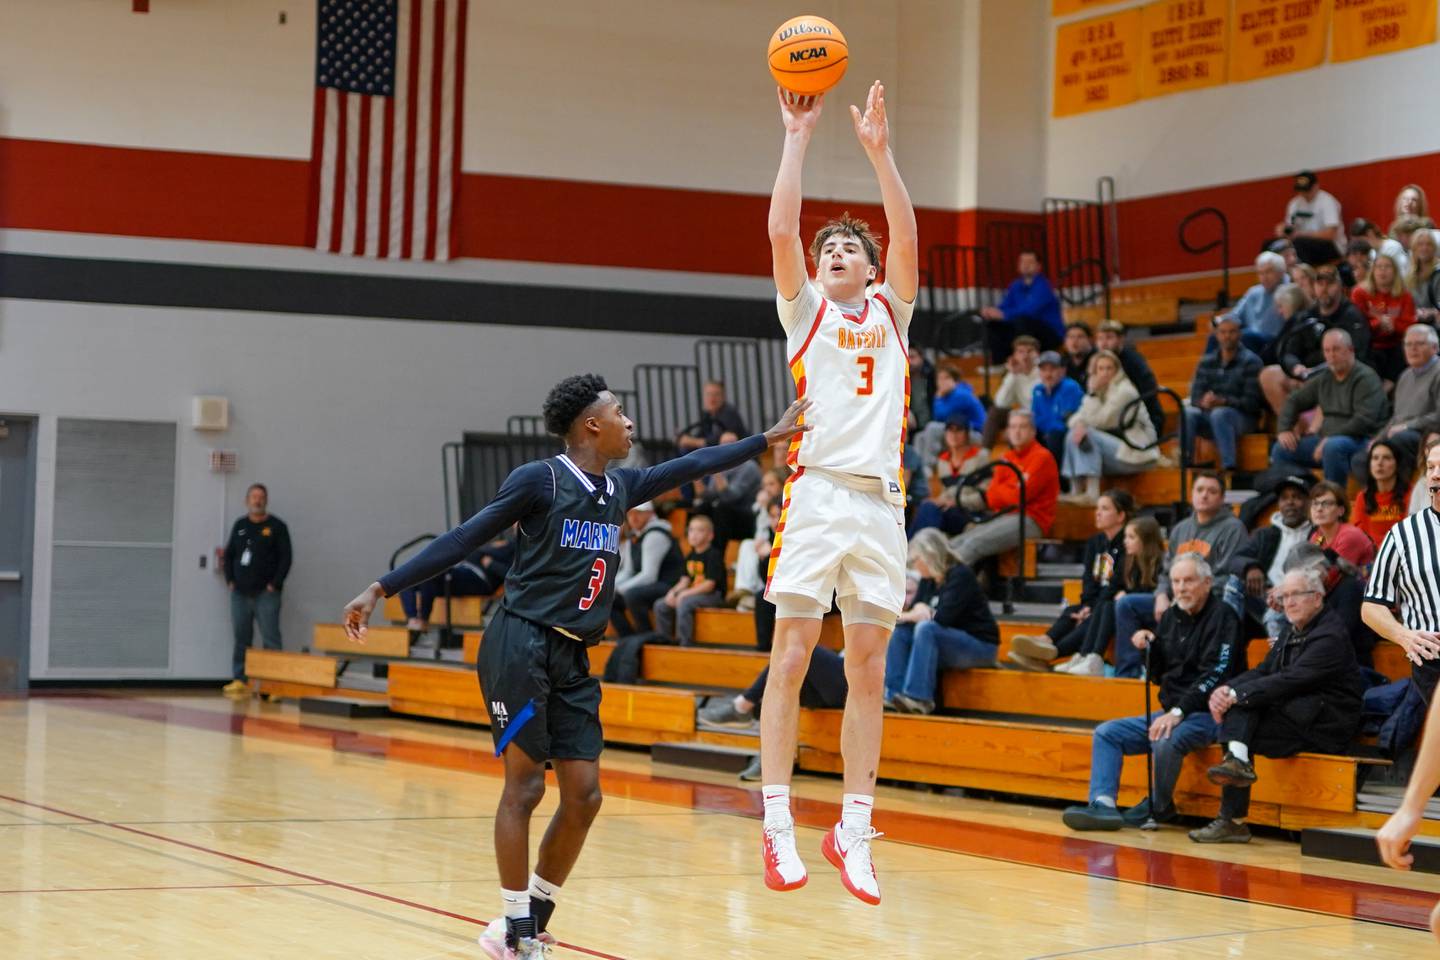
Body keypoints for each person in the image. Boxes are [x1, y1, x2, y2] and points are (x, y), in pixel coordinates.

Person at [341, 374, 809, 956]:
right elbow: (463, 538)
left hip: (573, 655)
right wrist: (380, 588)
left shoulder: (621, 487)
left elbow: (696, 467)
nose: (630, 423)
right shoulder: (540, 480)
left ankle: (530, 916)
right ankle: (516, 932)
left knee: (585, 794)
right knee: (527, 786)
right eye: (619, 412)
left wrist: (764, 439)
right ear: (592, 424)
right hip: (520, 642)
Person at [761, 79, 919, 904]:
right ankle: (778, 822)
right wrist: (799, 134)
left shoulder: (893, 311)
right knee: (790, 656)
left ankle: (853, 831)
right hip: (819, 494)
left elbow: (908, 232)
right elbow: (783, 226)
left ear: (871, 264)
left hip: (881, 504)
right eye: (830, 251)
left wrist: (879, 152)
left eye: (850, 248)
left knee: (868, 666)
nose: (837, 254)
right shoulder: (807, 314)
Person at [1062, 553, 1243, 831]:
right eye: (1176, 581)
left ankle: (1160, 806)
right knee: (1107, 733)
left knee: (1165, 739)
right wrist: (1151, 647)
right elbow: (1161, 675)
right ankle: (1103, 805)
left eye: (1189, 581)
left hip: (1209, 714)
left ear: (1207, 583)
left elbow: (1217, 673)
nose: (1181, 588)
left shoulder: (1224, 616)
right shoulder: (1171, 616)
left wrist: (1178, 712)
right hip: (1173, 711)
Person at [1195, 569, 1364, 843]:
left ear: (1318, 598)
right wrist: (1226, 690)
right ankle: (1235, 779)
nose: (1289, 602)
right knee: (1240, 709)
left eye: (1297, 594)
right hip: (1297, 715)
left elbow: (1290, 680)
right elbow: (1264, 671)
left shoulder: (1330, 636)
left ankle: (1233, 812)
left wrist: (1236, 694)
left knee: (1242, 709)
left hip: (1325, 724)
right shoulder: (1292, 629)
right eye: (1284, 596)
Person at [1115, 472, 1248, 679]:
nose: (1204, 495)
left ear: (1222, 498)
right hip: (1177, 597)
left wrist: (1185, 596)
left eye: (1212, 491)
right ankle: (1128, 674)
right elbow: (1166, 573)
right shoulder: (1180, 529)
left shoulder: (1233, 529)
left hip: (1208, 603)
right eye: (1200, 490)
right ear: (1191, 494)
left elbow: (1228, 578)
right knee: (1127, 604)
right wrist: (1161, 595)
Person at [1008, 491, 1135, 672]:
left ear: (1121, 515)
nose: (1097, 513)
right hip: (1096, 602)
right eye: (1097, 508)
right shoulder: (1095, 542)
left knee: (1093, 616)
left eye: (1105, 509)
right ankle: (1046, 642)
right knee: (1072, 611)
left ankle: (1051, 653)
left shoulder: (1127, 542)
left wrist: (1092, 608)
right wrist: (1086, 605)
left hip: (1111, 604)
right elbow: (1089, 580)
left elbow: (1117, 583)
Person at [883, 529, 998, 714]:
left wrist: (919, 612)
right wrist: (916, 613)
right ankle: (893, 694)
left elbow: (942, 618)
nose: (915, 566)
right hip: (947, 642)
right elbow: (916, 611)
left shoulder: (960, 575)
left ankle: (919, 698)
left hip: (980, 646)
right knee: (901, 632)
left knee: (926, 629)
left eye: (917, 560)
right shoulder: (929, 580)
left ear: (930, 555)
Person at [1271, 329, 1389, 484]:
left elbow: (1364, 420)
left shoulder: (1366, 378)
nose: (1331, 355)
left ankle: (1334, 498)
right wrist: (1284, 429)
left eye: (1336, 349)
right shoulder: (1324, 377)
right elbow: (1294, 400)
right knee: (1281, 449)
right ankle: (1300, 492)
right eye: (1327, 350)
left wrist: (1330, 438)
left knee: (1333, 447)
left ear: (1350, 350)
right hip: (1325, 439)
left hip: (1360, 440)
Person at [1058, 512, 1165, 676]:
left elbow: (1150, 592)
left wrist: (1126, 594)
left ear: (1145, 540)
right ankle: (1086, 655)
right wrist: (1091, 608)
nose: (1125, 541)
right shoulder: (1127, 561)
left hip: (1149, 612)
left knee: (1112, 604)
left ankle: (1094, 657)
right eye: (1126, 537)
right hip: (1125, 609)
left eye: (1131, 537)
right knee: (1105, 603)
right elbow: (1112, 587)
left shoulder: (1159, 562)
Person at [950, 409, 1060, 568]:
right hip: (1003, 515)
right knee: (957, 541)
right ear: (1007, 431)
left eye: (1022, 427)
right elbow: (991, 496)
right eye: (1013, 427)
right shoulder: (1006, 458)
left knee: (972, 544)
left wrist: (1004, 491)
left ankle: (945, 587)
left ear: (1033, 431)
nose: (1017, 432)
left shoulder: (1042, 458)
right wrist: (1009, 491)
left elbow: (1019, 497)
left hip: (1032, 520)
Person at [1059, 350, 1158, 504]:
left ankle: (1091, 494)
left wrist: (1092, 394)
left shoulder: (1125, 391)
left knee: (1088, 434)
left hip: (1138, 452)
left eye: (1109, 368)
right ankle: (1075, 490)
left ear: (1117, 370)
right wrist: (1079, 424)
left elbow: (1102, 421)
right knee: (1074, 432)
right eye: (1100, 369)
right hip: (1118, 450)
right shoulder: (1102, 391)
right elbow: (1076, 419)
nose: (1104, 373)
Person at [222, 483, 293, 695]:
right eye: (253, 497)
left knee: (271, 638)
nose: (257, 500)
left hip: (266, 593)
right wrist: (230, 579)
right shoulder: (240, 525)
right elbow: (229, 555)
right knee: (242, 637)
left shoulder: (277, 526)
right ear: (247, 501)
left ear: (266, 500)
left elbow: (286, 558)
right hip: (240, 593)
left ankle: (273, 685)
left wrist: (275, 583)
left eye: (261, 497)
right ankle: (241, 679)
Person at [1349, 324, 1440, 480]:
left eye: (1419, 344)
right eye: (1408, 344)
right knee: (1361, 458)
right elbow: (1396, 418)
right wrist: (1379, 438)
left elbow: (1438, 416)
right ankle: (1375, 500)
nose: (1413, 349)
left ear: (1435, 347)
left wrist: (1407, 426)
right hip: (1401, 433)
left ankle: (1401, 497)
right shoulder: (1405, 376)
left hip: (1427, 435)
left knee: (1399, 441)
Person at [1233, 476, 1313, 638]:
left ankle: (1278, 656)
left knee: (1274, 614)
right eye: (1284, 498)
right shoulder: (1264, 533)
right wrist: (1251, 567)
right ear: (1279, 504)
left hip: (1299, 597)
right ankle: (1227, 638)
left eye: (1296, 497)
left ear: (1308, 502)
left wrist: (1286, 592)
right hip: (1265, 594)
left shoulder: (1316, 534)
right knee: (1234, 582)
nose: (1290, 502)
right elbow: (1236, 558)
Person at [1185, 315, 1263, 473]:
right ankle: (1184, 464)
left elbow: (1252, 403)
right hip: (1211, 415)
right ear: (1216, 334)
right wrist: (1203, 401)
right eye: (1223, 332)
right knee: (1188, 413)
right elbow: (1195, 396)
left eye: (1232, 332)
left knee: (1220, 414)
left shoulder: (1251, 362)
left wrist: (1223, 401)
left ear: (1240, 334)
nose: (1227, 336)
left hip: (1243, 418)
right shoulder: (1206, 361)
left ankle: (1229, 467)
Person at [399, 532, 511, 639]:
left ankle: (423, 620)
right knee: (409, 574)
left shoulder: (514, 548)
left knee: (430, 572)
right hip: (459, 569)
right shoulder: (486, 544)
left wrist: (491, 564)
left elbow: (512, 573)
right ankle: (413, 619)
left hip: (478, 578)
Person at [610, 503, 684, 636]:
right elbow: (628, 571)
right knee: (609, 598)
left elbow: (649, 575)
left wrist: (620, 589)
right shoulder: (634, 536)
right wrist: (609, 587)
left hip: (670, 584)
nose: (633, 517)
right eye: (631, 513)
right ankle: (627, 638)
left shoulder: (655, 535)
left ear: (650, 513)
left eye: (638, 513)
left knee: (632, 595)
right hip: (651, 584)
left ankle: (646, 635)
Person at [908, 415, 988, 537]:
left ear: (967, 433)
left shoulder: (981, 456)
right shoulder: (943, 460)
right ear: (945, 434)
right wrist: (939, 500)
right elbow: (947, 491)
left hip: (971, 512)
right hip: (950, 511)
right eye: (950, 430)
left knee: (929, 509)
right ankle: (914, 548)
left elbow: (985, 497)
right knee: (927, 506)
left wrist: (955, 502)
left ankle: (911, 549)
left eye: (959, 430)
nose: (954, 435)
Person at [653, 514, 727, 645]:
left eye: (700, 530)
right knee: (661, 605)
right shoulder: (690, 556)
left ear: (710, 536)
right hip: (694, 594)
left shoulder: (713, 555)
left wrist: (684, 594)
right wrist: (673, 592)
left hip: (714, 595)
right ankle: (664, 641)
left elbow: (709, 585)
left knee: (685, 603)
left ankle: (684, 643)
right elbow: (684, 581)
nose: (694, 534)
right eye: (691, 530)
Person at [980, 249, 1063, 357]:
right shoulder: (1015, 285)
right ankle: (1000, 363)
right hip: (1022, 327)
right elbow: (1005, 305)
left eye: (1030, 262)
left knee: (1022, 321)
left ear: (1039, 266)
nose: (1026, 265)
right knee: (993, 324)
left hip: (1049, 334)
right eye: (1023, 262)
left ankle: (1028, 358)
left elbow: (1029, 311)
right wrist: (992, 312)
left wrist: (1004, 314)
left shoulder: (1043, 285)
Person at [1351, 253, 1415, 384]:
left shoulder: (1405, 295)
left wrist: (1393, 326)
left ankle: (1390, 385)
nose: (1382, 271)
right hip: (1370, 344)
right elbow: (1356, 324)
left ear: (1395, 272)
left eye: (1387, 267)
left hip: (1396, 344)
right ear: (1372, 271)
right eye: (1379, 267)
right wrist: (1377, 323)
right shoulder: (1359, 293)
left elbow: (1410, 325)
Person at [691, 430, 762, 547]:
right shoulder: (723, 466)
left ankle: (717, 557)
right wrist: (695, 476)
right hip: (726, 515)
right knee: (702, 506)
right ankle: (698, 553)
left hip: (747, 518)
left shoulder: (749, 466)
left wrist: (716, 469)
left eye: (731, 442)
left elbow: (730, 497)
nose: (727, 446)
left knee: (721, 508)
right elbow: (709, 496)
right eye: (723, 443)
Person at [1094, 320, 1165, 433]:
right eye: (1100, 338)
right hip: (1114, 417)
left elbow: (1148, 394)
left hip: (1141, 421)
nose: (1104, 343)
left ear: (1121, 339)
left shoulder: (1134, 362)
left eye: (1109, 337)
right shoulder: (1096, 362)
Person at [916, 365, 985, 468]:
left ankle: (929, 466)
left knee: (932, 428)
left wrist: (938, 398)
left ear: (956, 381)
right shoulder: (944, 396)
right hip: (956, 431)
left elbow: (949, 417)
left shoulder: (961, 394)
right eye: (939, 378)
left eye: (946, 378)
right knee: (920, 436)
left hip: (974, 433)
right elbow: (938, 418)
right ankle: (919, 469)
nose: (942, 382)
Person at [1220, 251, 1287, 354]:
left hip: (1275, 341)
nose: (1264, 277)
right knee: (1217, 335)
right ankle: (1210, 369)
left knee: (1246, 335)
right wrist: (1219, 322)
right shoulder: (1253, 292)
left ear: (1281, 272)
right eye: (1260, 273)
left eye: (1268, 272)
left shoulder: (1288, 291)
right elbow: (1234, 316)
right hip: (1251, 337)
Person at [1276, 169, 1346, 265]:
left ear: (1316, 186)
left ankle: (1304, 272)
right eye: (1301, 190)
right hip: (1302, 243)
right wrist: (1283, 230)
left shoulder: (1327, 201)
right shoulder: (1294, 204)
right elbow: (1290, 227)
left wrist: (1302, 234)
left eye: (1307, 190)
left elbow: (1331, 234)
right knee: (1274, 244)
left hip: (1331, 246)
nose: (1304, 194)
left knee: (1300, 243)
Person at [981, 335, 1040, 446]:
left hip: (1038, 414)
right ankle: (984, 453)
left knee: (1017, 425)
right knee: (995, 412)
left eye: (1030, 351)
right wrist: (1013, 375)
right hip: (1022, 415)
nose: (1025, 356)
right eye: (1020, 352)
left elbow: (1034, 402)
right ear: (1014, 355)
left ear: (1037, 354)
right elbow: (1001, 403)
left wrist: (1015, 422)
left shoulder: (1042, 373)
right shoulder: (1013, 375)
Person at [1306, 479, 1376, 572]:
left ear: (1341, 511)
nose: (1319, 509)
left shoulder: (1349, 535)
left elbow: (1334, 576)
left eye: (1326, 504)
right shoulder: (1317, 536)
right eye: (1315, 503)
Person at [1353, 441, 1413, 548]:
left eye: (1386, 458)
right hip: (1371, 555)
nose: (1379, 463)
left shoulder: (1410, 494)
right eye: (1375, 458)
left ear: (1397, 464)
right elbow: (1359, 535)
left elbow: (1411, 533)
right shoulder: (1362, 497)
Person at [1031, 350, 1084, 469]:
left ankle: (1059, 481)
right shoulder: (1037, 390)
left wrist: (1046, 430)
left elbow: (1066, 419)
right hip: (1046, 433)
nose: (1048, 374)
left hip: (1066, 434)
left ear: (1063, 371)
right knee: (1021, 433)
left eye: (1052, 369)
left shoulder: (1070, 387)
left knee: (1054, 435)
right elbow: (1035, 418)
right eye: (1044, 370)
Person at [676, 381, 748, 453]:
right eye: (708, 394)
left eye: (716, 394)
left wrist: (693, 442)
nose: (712, 398)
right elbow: (701, 435)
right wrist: (685, 439)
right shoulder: (707, 415)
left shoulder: (729, 413)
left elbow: (720, 439)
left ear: (723, 397)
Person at [1406, 228, 1440, 324]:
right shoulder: (1409, 274)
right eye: (1420, 244)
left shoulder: (1438, 272)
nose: (1424, 248)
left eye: (1428, 244)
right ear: (1414, 248)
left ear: (1434, 248)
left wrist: (1431, 312)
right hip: (1414, 321)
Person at [1063, 321, 1095, 389]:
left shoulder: (1098, 361)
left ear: (1090, 340)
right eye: (1070, 337)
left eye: (1080, 337)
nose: (1074, 341)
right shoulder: (1062, 363)